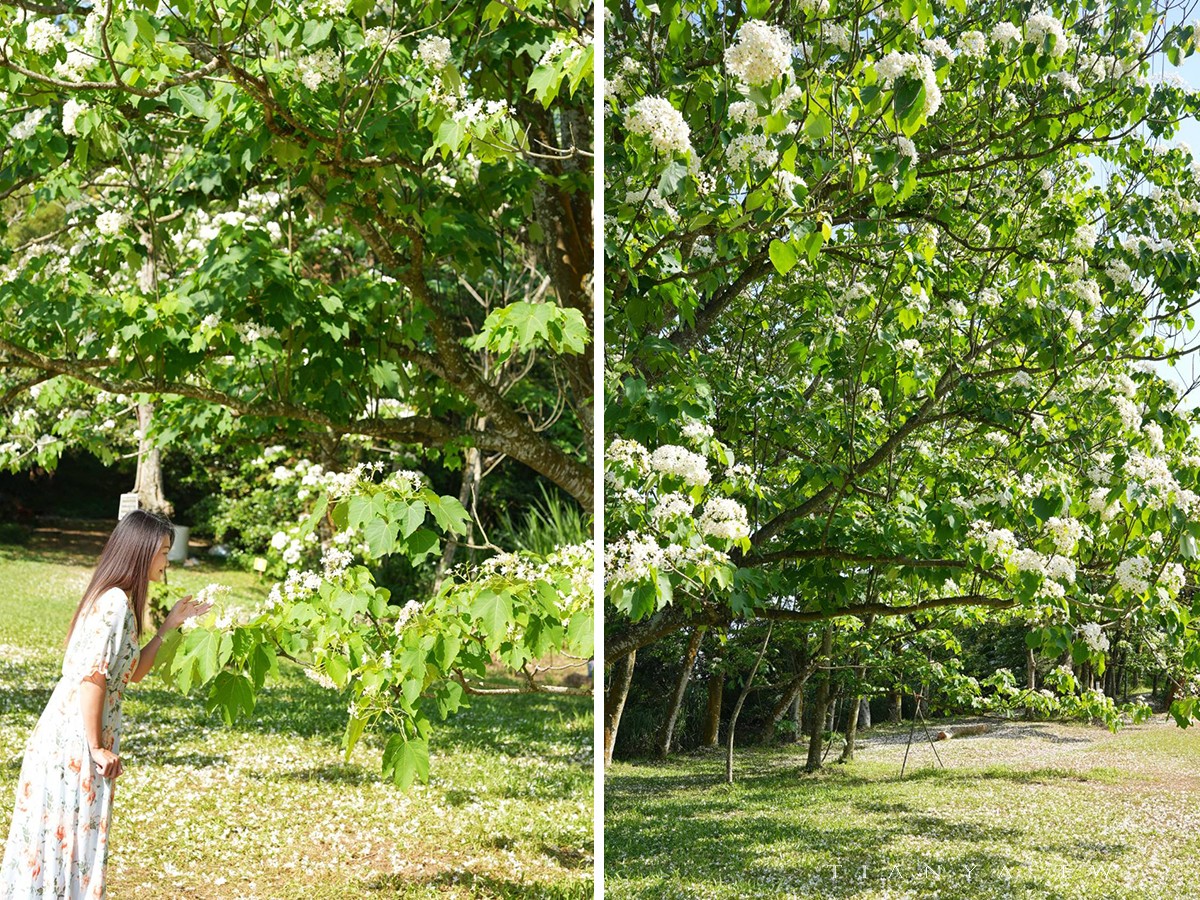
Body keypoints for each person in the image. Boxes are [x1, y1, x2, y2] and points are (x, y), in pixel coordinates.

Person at [0, 510, 213, 899]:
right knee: (66, 837)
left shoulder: (121, 602)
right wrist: (96, 746)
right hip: (75, 740)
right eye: (163, 552)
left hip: (81, 735)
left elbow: (130, 673)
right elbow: (93, 678)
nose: (167, 561)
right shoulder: (114, 602)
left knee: (69, 838)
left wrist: (168, 627)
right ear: (142, 552)